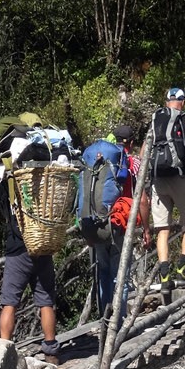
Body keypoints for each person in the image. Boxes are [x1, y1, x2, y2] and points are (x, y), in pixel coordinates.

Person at [0, 116, 59, 356]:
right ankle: (52, 351)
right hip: (43, 240)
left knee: (9, 301)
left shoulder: (5, 170)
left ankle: (4, 353)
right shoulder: (42, 167)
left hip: (18, 245)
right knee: (45, 300)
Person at [140, 87, 185, 288]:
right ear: (183, 102)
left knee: (163, 229)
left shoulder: (156, 120)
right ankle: (182, 268)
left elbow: (144, 151)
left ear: (166, 101)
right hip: (180, 177)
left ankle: (164, 275)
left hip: (157, 180)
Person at [79, 124, 136, 317]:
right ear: (131, 142)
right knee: (120, 275)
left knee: (103, 273)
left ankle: (105, 318)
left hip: (96, 222)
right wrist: (145, 228)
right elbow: (142, 200)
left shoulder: (97, 162)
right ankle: (118, 323)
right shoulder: (129, 162)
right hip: (118, 223)